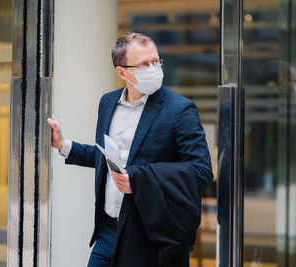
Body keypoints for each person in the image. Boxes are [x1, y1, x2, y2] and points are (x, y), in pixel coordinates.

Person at [47, 32, 213, 267]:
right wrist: (63, 144)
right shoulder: (107, 102)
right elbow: (109, 158)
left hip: (148, 236)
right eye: (144, 64)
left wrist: (139, 179)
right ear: (122, 72)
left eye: (156, 61)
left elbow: (201, 172)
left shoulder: (180, 110)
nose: (153, 68)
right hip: (106, 232)